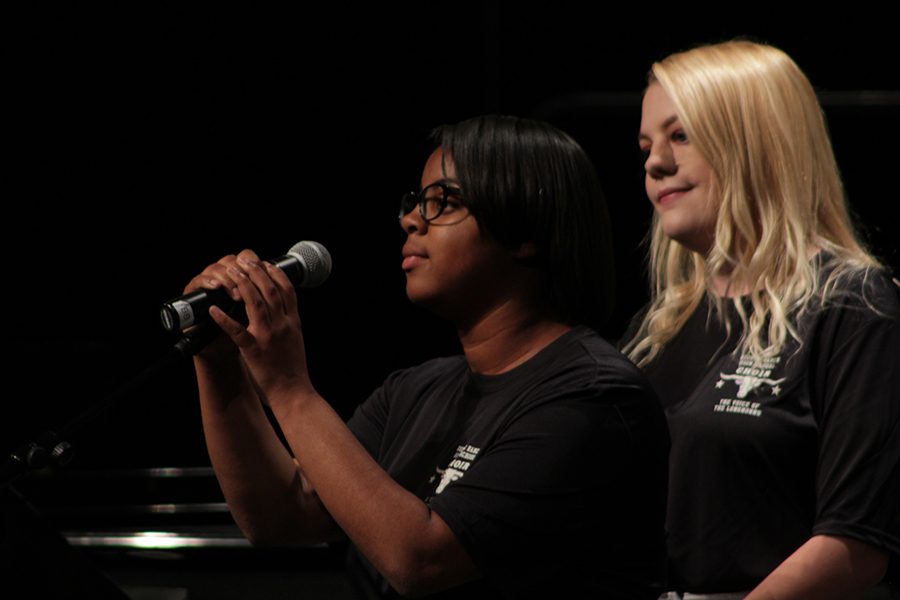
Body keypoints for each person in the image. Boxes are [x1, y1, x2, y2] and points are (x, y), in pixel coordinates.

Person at [186, 115, 669, 598]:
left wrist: (289, 390)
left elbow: (419, 559)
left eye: (444, 202)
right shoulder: (415, 391)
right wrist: (219, 361)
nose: (411, 219)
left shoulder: (594, 397)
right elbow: (281, 515)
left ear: (526, 233)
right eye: (416, 201)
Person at [623, 40, 899, 599]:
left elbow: (856, 544)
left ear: (754, 142)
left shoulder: (852, 305)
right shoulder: (658, 327)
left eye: (681, 135)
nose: (654, 162)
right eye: (647, 144)